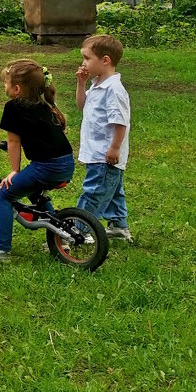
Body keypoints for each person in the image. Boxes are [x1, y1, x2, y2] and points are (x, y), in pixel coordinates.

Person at [0, 59, 75, 261]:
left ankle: (1, 250)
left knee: (3, 194)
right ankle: (61, 238)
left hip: (46, 167)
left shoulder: (14, 107)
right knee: (35, 191)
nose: (4, 87)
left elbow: (13, 141)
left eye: (6, 83)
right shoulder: (46, 104)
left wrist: (14, 170)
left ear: (17, 89)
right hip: (66, 164)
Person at [75, 34, 133, 242]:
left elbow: (120, 122)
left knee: (94, 192)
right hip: (96, 151)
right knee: (113, 190)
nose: (83, 63)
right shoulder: (98, 83)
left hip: (105, 153)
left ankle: (79, 231)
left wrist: (114, 148)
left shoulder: (114, 89)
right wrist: (81, 84)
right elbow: (82, 105)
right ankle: (118, 226)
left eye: (87, 58)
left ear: (105, 60)